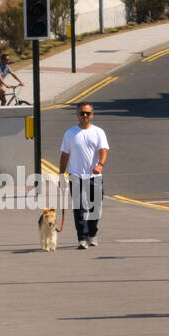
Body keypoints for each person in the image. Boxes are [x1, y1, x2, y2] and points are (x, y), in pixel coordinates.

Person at [58, 102, 108, 249]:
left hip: (94, 177)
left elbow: (103, 151)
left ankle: (92, 234)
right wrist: (61, 175)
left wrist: (100, 165)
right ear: (77, 115)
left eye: (87, 113)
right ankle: (82, 238)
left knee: (95, 208)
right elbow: (64, 155)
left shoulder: (99, 132)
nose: (84, 116)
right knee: (79, 209)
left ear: (92, 115)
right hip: (76, 176)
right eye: (82, 113)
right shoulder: (70, 133)